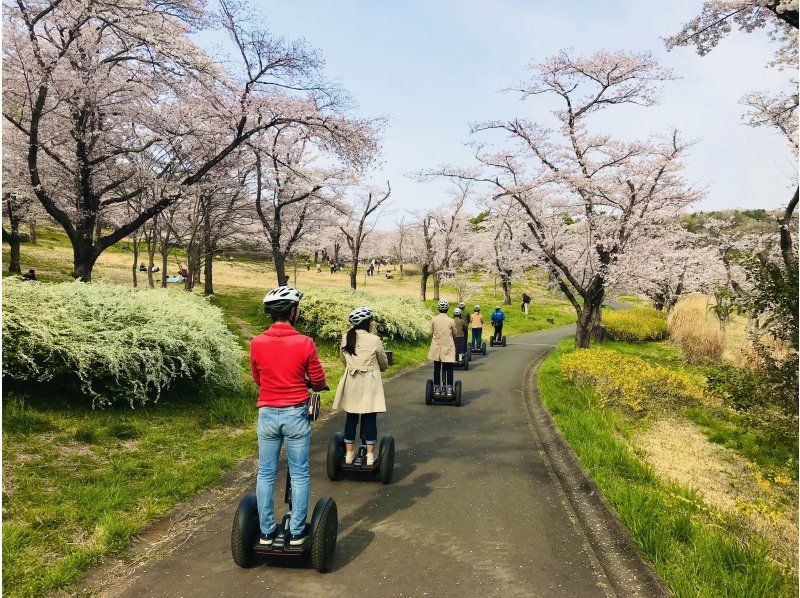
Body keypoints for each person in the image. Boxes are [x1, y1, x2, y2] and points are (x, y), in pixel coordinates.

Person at [250, 286, 327, 548]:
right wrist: (313, 384)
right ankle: (296, 533)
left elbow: (258, 378)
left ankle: (266, 531)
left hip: (268, 413)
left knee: (266, 473)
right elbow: (317, 379)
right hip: (295, 413)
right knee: (299, 473)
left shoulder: (257, 342)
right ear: (293, 312)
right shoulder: (305, 343)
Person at [333, 307, 389, 466]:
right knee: (370, 418)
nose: (373, 323)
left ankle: (349, 454)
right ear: (366, 323)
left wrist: (351, 366)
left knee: (351, 418)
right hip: (369, 383)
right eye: (371, 320)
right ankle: (370, 457)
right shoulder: (374, 339)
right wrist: (383, 368)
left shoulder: (346, 338)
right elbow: (383, 360)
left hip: (351, 382)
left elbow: (343, 359)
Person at [428, 300, 458, 395]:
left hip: (437, 347)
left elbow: (430, 333)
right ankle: (449, 388)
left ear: (438, 309)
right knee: (449, 367)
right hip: (448, 347)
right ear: (447, 309)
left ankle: (436, 388)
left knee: (437, 367)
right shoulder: (451, 321)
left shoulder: (434, 319)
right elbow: (455, 333)